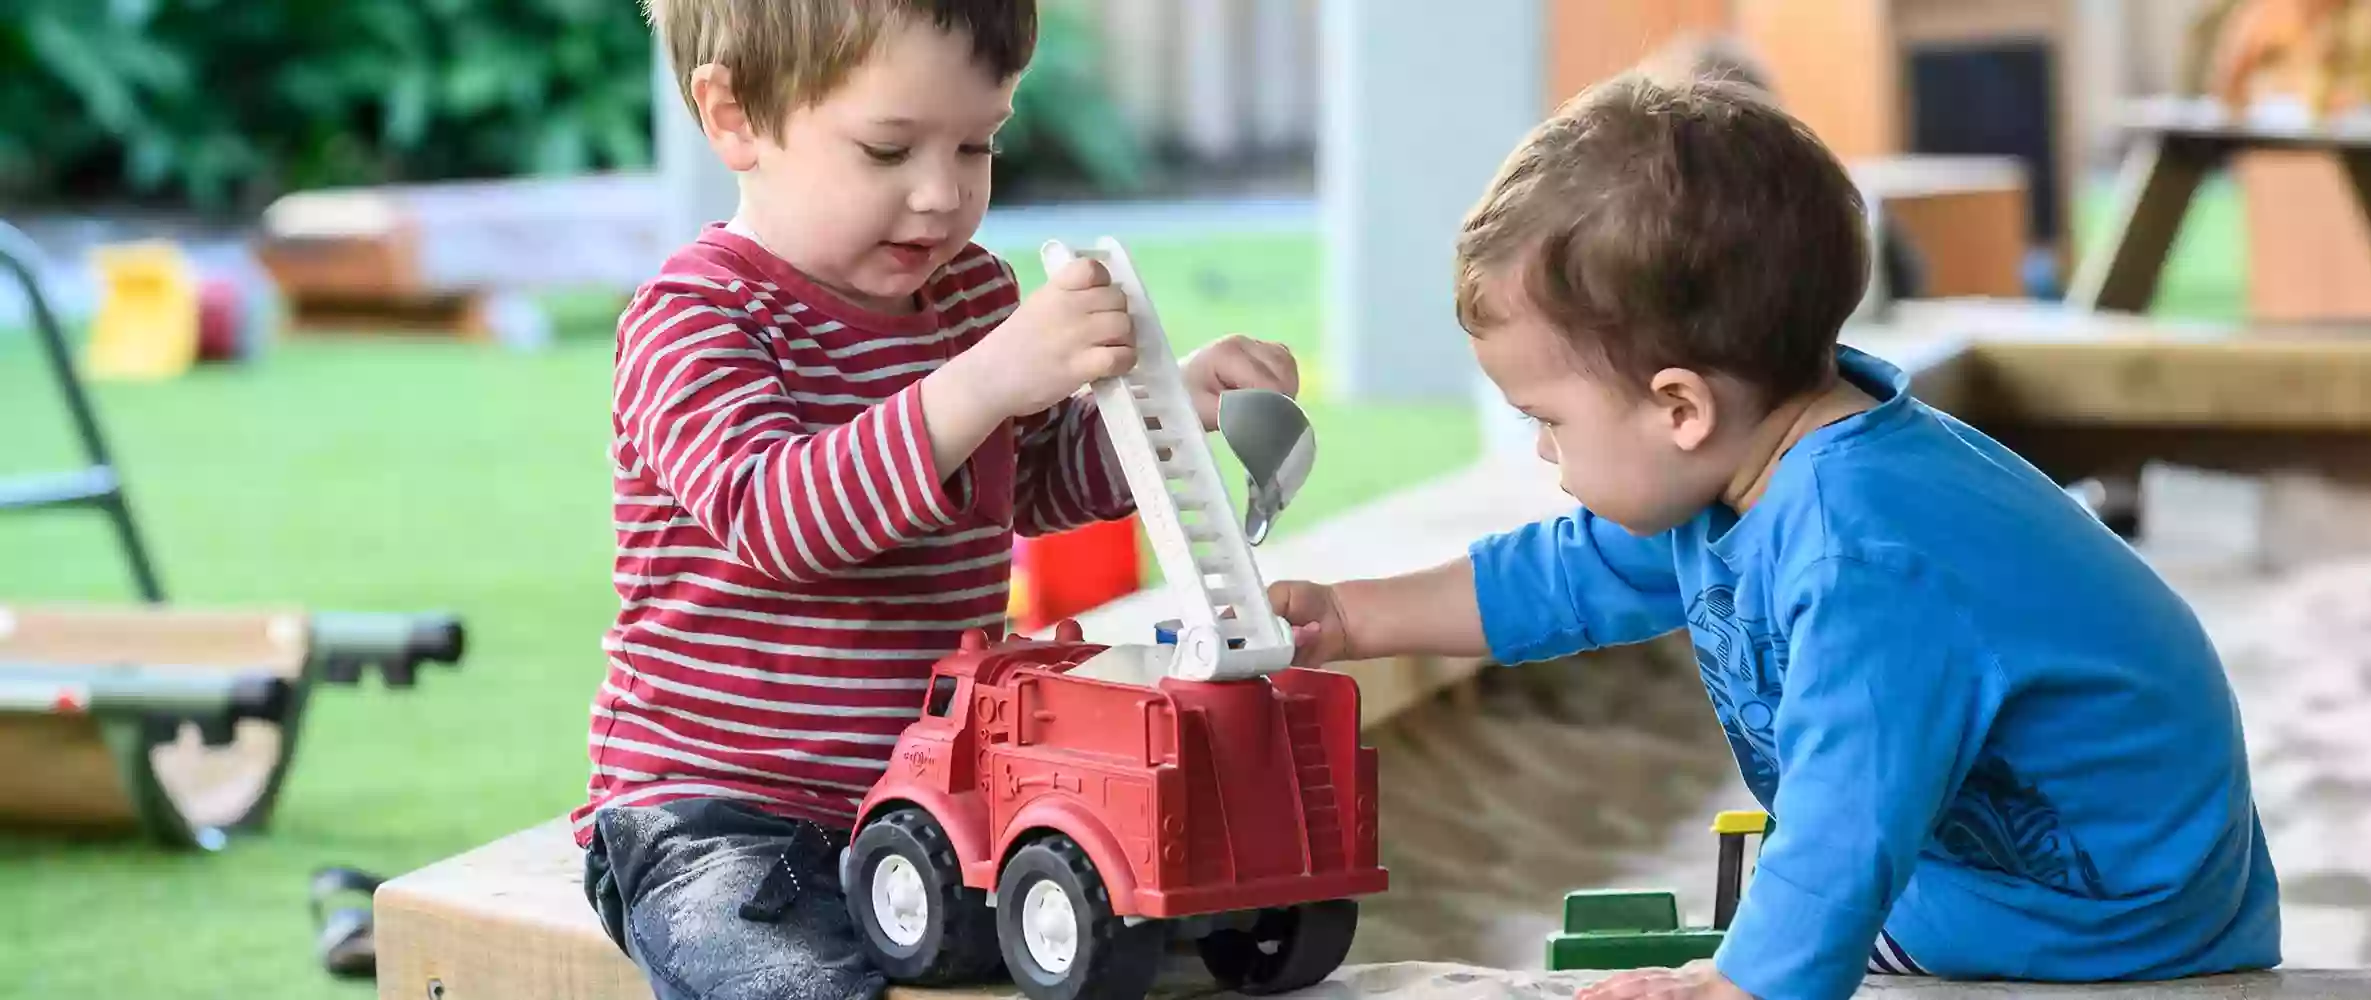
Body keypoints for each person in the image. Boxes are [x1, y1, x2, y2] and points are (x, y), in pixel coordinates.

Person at [1269, 74, 2281, 1000]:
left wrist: (1745, 984)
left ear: (1680, 408)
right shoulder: (1755, 459)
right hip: (2039, 873)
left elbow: (1849, 814)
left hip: (2103, 919)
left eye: (1548, 418)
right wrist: (1356, 616)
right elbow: (1566, 578)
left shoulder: (1863, 554)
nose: (1540, 450)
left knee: (1800, 908)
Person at [574, 3, 1300, 999]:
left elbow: (1036, 482)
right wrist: (985, 380)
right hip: (722, 811)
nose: (941, 192)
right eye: (888, 148)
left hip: (944, 794)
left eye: (977, 143)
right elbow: (779, 521)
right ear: (735, 114)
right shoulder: (696, 321)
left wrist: (1170, 408)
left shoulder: (971, 300)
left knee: (1117, 944)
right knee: (790, 979)